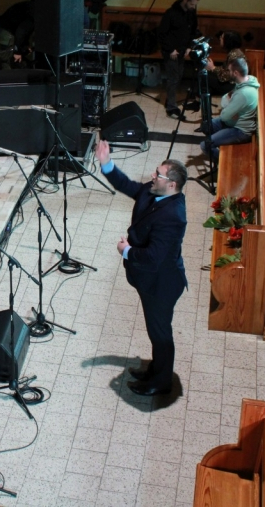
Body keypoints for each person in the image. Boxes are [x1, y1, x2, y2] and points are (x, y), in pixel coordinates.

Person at [94, 141, 188, 396]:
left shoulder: (173, 216)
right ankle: (157, 369)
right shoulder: (154, 190)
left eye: (158, 174)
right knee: (155, 328)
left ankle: (161, 381)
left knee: (160, 332)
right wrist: (106, 163)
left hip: (162, 283)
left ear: (171, 184)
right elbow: (130, 186)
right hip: (149, 279)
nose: (152, 176)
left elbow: (154, 257)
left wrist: (126, 250)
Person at [201, 56, 259, 163]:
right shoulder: (247, 80)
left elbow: (224, 116)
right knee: (206, 126)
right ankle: (218, 140)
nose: (228, 73)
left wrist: (229, 108)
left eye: (229, 71)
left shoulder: (244, 93)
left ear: (236, 73)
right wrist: (230, 108)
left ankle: (224, 162)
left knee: (205, 145)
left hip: (240, 131)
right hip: (233, 121)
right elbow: (225, 98)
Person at [156, 0, 200, 117]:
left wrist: (189, 46)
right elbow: (162, 33)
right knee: (173, 77)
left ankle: (170, 100)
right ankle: (171, 107)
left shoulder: (191, 14)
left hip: (182, 50)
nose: (193, 7)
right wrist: (170, 49)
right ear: (185, 0)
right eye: (192, 4)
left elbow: (192, 31)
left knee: (179, 75)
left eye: (195, 5)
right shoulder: (171, 13)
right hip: (171, 51)